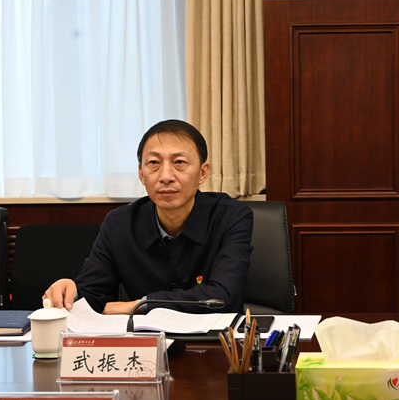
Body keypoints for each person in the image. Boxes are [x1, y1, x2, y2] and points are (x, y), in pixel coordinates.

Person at [43, 119, 253, 315]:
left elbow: (221, 297)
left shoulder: (231, 217)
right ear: (141, 174)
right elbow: (93, 297)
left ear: (203, 173)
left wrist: (140, 305)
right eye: (154, 163)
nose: (166, 176)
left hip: (216, 338)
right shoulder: (119, 224)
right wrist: (72, 292)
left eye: (179, 162)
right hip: (145, 339)